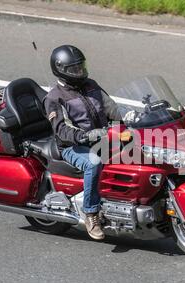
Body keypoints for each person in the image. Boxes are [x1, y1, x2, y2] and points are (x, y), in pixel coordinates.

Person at [44, 45, 139, 240]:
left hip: (102, 137)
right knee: (93, 163)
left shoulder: (91, 85)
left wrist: (130, 118)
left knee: (138, 148)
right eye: (74, 69)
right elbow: (62, 130)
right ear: (61, 70)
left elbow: (111, 108)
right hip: (72, 146)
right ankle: (91, 213)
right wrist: (86, 136)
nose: (79, 71)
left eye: (81, 66)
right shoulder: (54, 97)